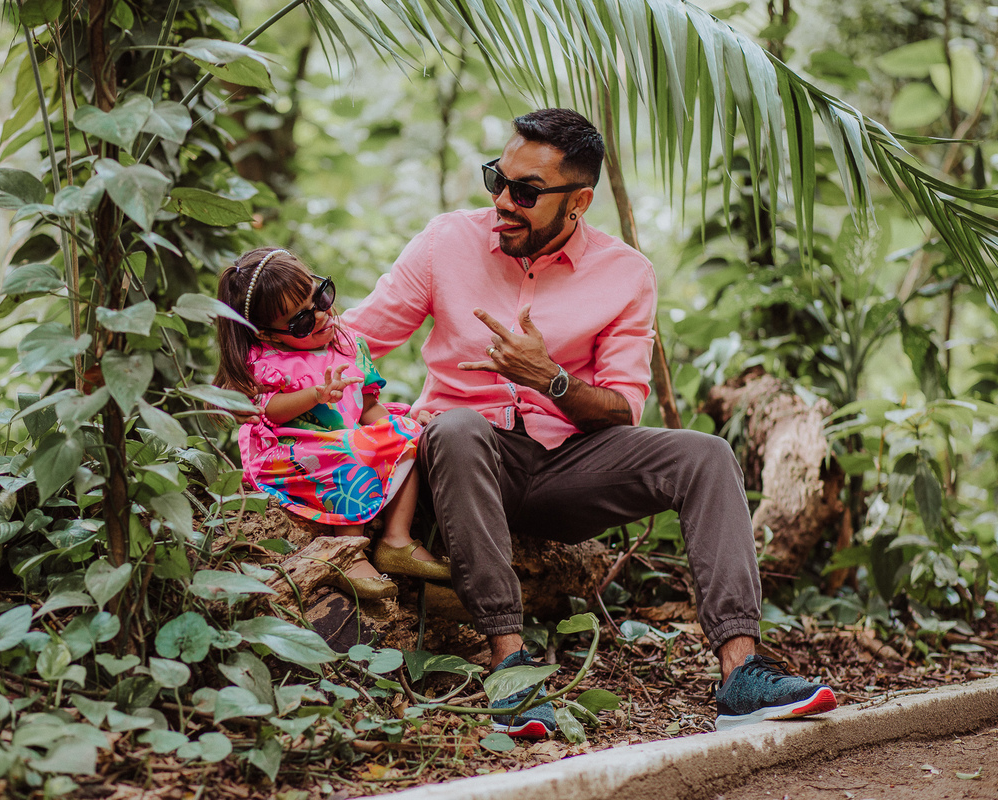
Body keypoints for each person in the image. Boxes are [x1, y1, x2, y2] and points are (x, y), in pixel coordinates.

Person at [341, 108, 837, 738]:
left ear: (578, 202)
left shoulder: (625, 273)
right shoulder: (447, 242)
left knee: (707, 455)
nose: (503, 202)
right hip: (463, 462)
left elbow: (623, 407)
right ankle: (511, 667)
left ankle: (741, 672)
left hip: (565, 468)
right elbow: (352, 342)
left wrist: (548, 378)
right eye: (497, 180)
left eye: (526, 192)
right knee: (457, 426)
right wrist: (268, 371)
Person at [214, 247, 451, 600]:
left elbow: (368, 406)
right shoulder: (266, 362)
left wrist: (398, 432)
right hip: (293, 455)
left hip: (348, 442)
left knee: (408, 433)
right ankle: (349, 552)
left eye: (320, 298)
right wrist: (315, 395)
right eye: (302, 321)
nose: (321, 315)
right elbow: (270, 411)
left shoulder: (346, 344)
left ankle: (396, 539)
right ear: (268, 334)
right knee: (349, 448)